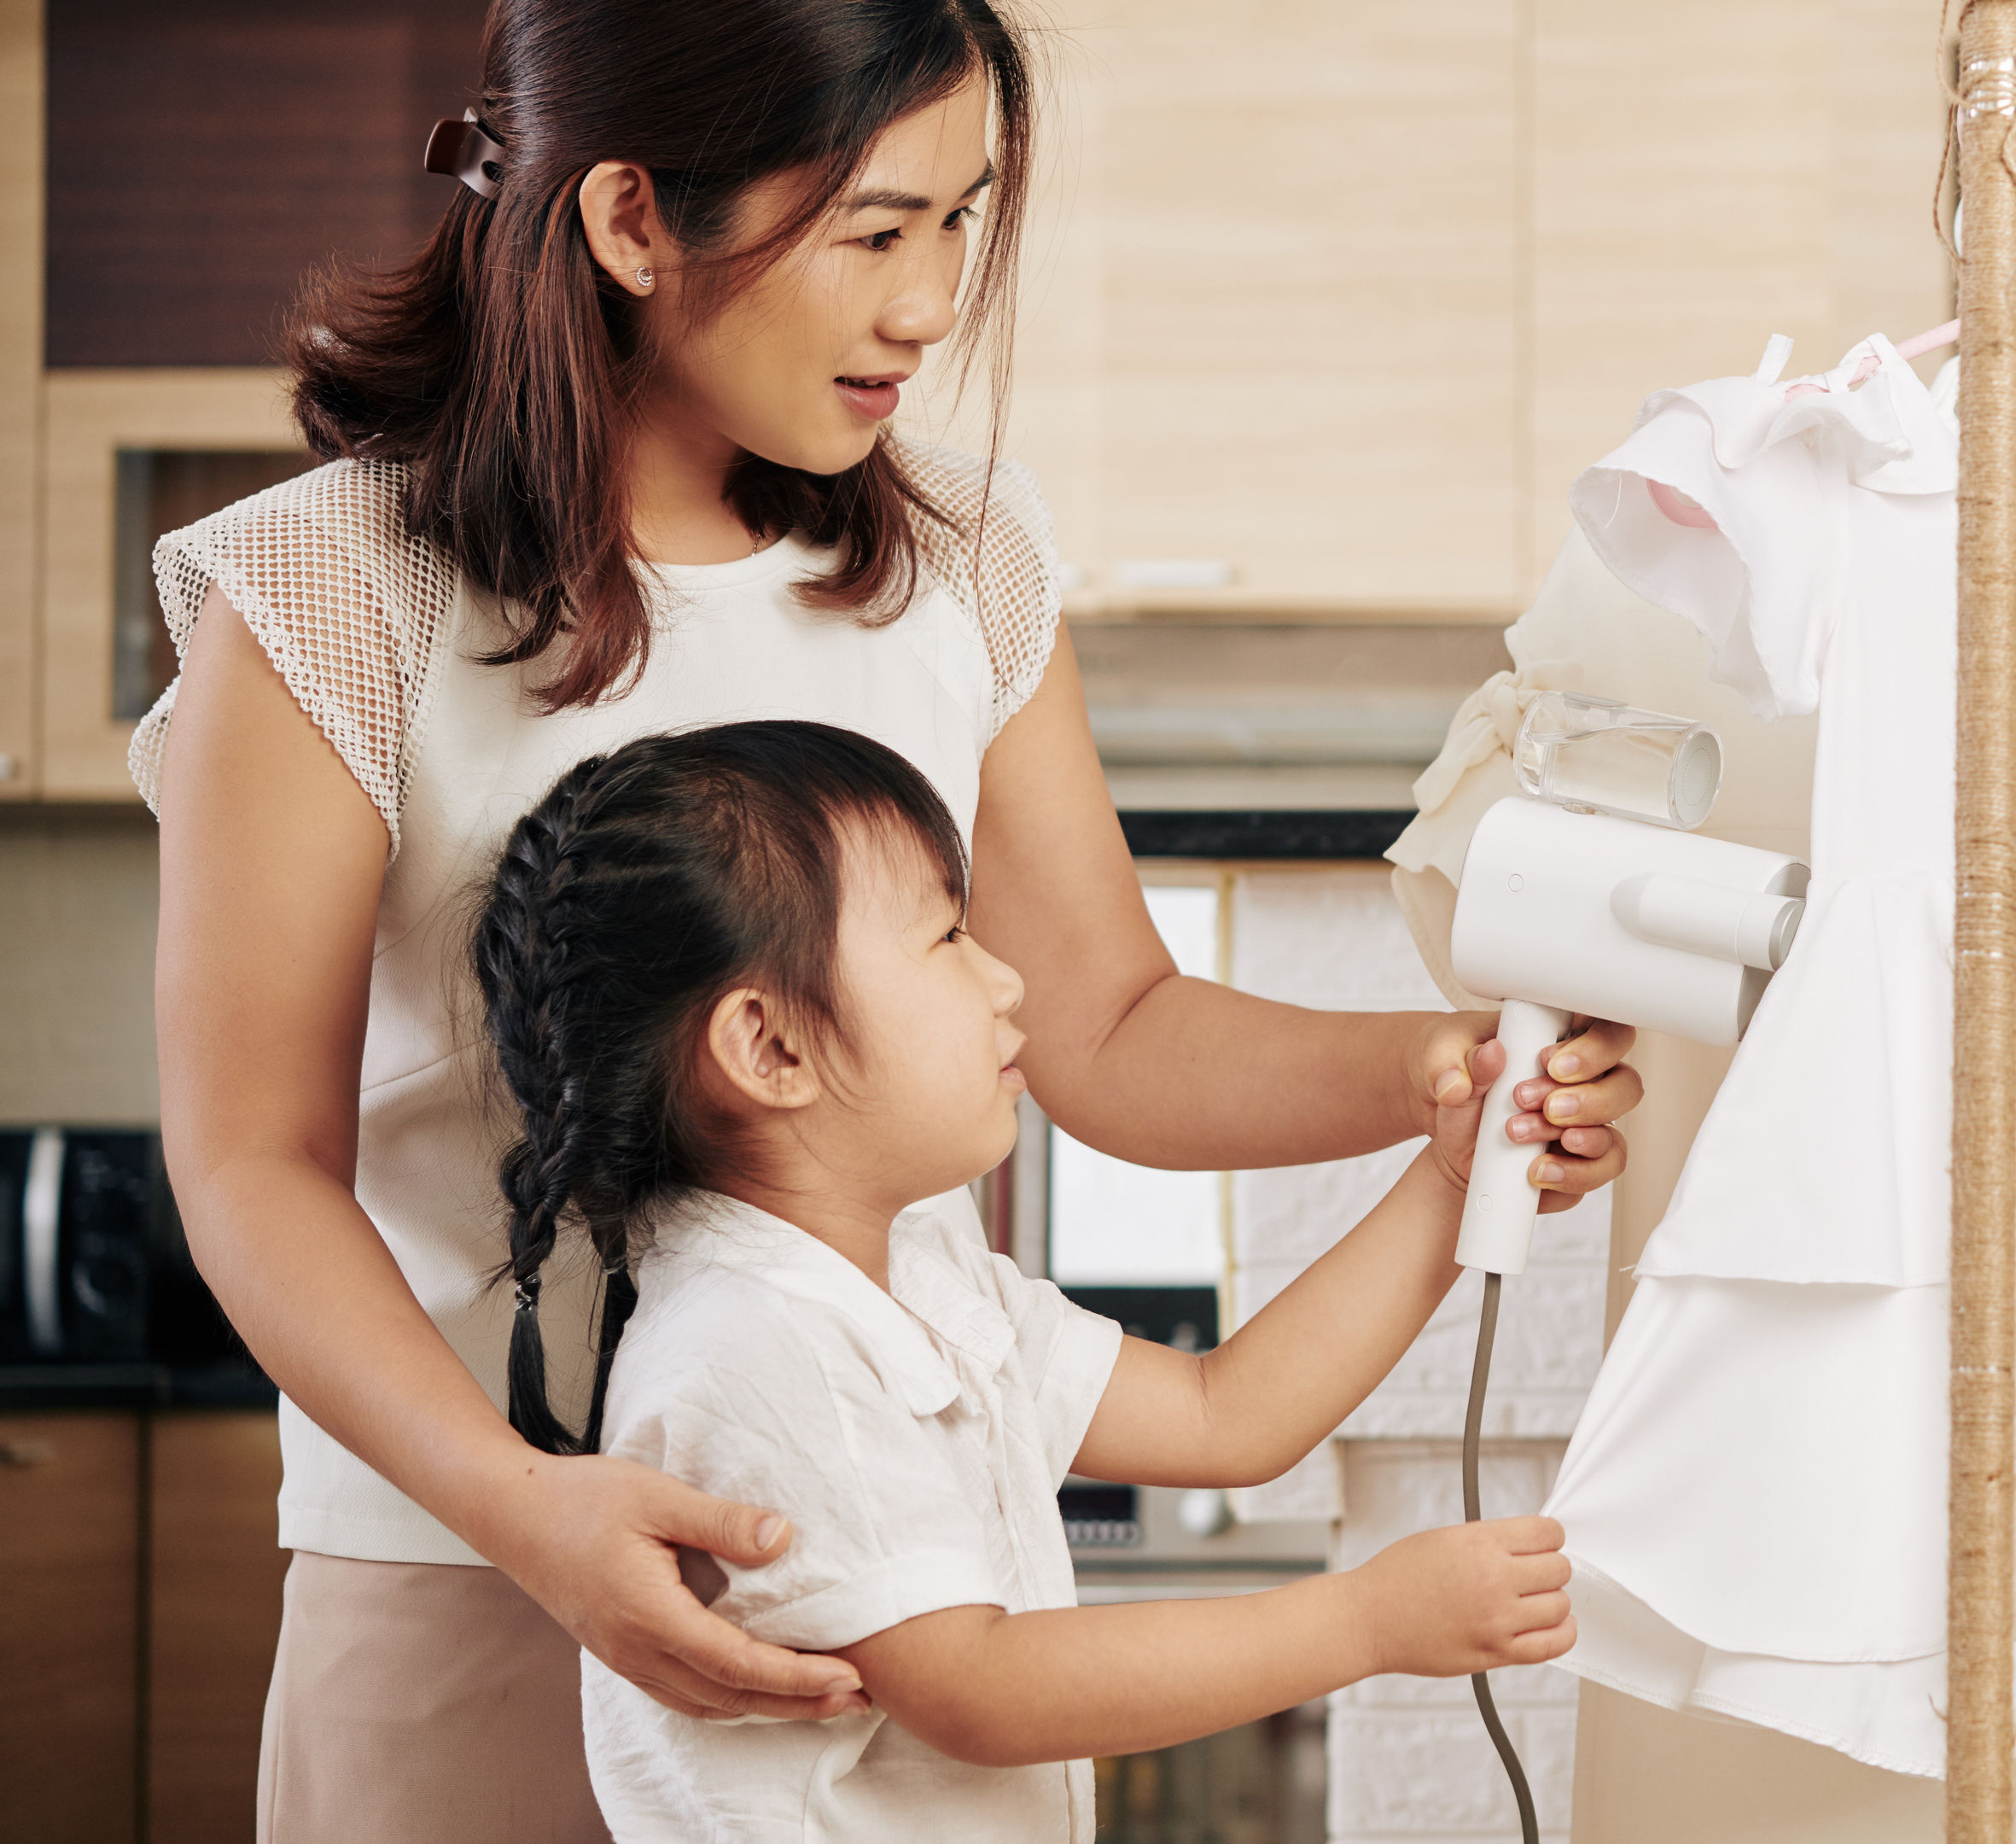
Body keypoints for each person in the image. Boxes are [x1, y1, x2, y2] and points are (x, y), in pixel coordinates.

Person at [138, 3, 1638, 1837]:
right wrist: (527, 1511)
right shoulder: (329, 591)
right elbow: (251, 1164)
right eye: (874, 230)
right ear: (631, 220)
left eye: (961, 224)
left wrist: (1436, 1077)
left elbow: (1110, 1028)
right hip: (461, 1563)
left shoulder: (961, 561)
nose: (931, 305)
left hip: (887, 1567)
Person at [469, 720, 1567, 1840]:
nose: (1006, 981)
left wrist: (1448, 1172)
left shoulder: (917, 1275)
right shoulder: (755, 1349)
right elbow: (979, 1687)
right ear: (773, 1050)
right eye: (948, 937)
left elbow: (1221, 1415)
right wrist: (1365, 1624)